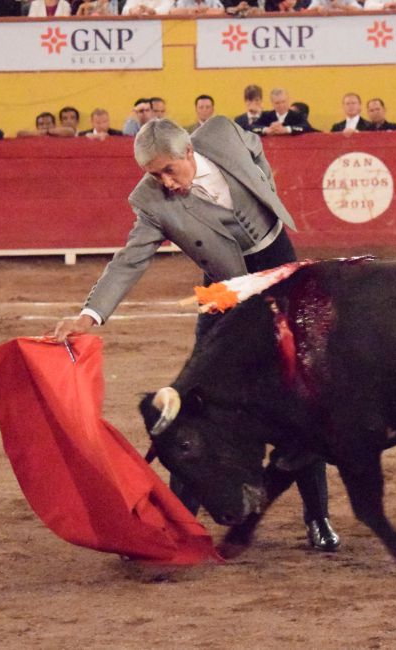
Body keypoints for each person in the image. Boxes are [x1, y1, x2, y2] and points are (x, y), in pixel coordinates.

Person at [50, 117, 342, 553]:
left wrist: (264, 187)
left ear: (189, 152)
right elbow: (129, 261)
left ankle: (317, 517)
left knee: (299, 396)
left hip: (282, 275)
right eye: (154, 175)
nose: (165, 183)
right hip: (225, 290)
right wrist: (90, 316)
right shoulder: (151, 202)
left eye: (170, 170)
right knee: (193, 402)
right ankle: (181, 524)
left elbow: (255, 147)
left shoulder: (223, 135)